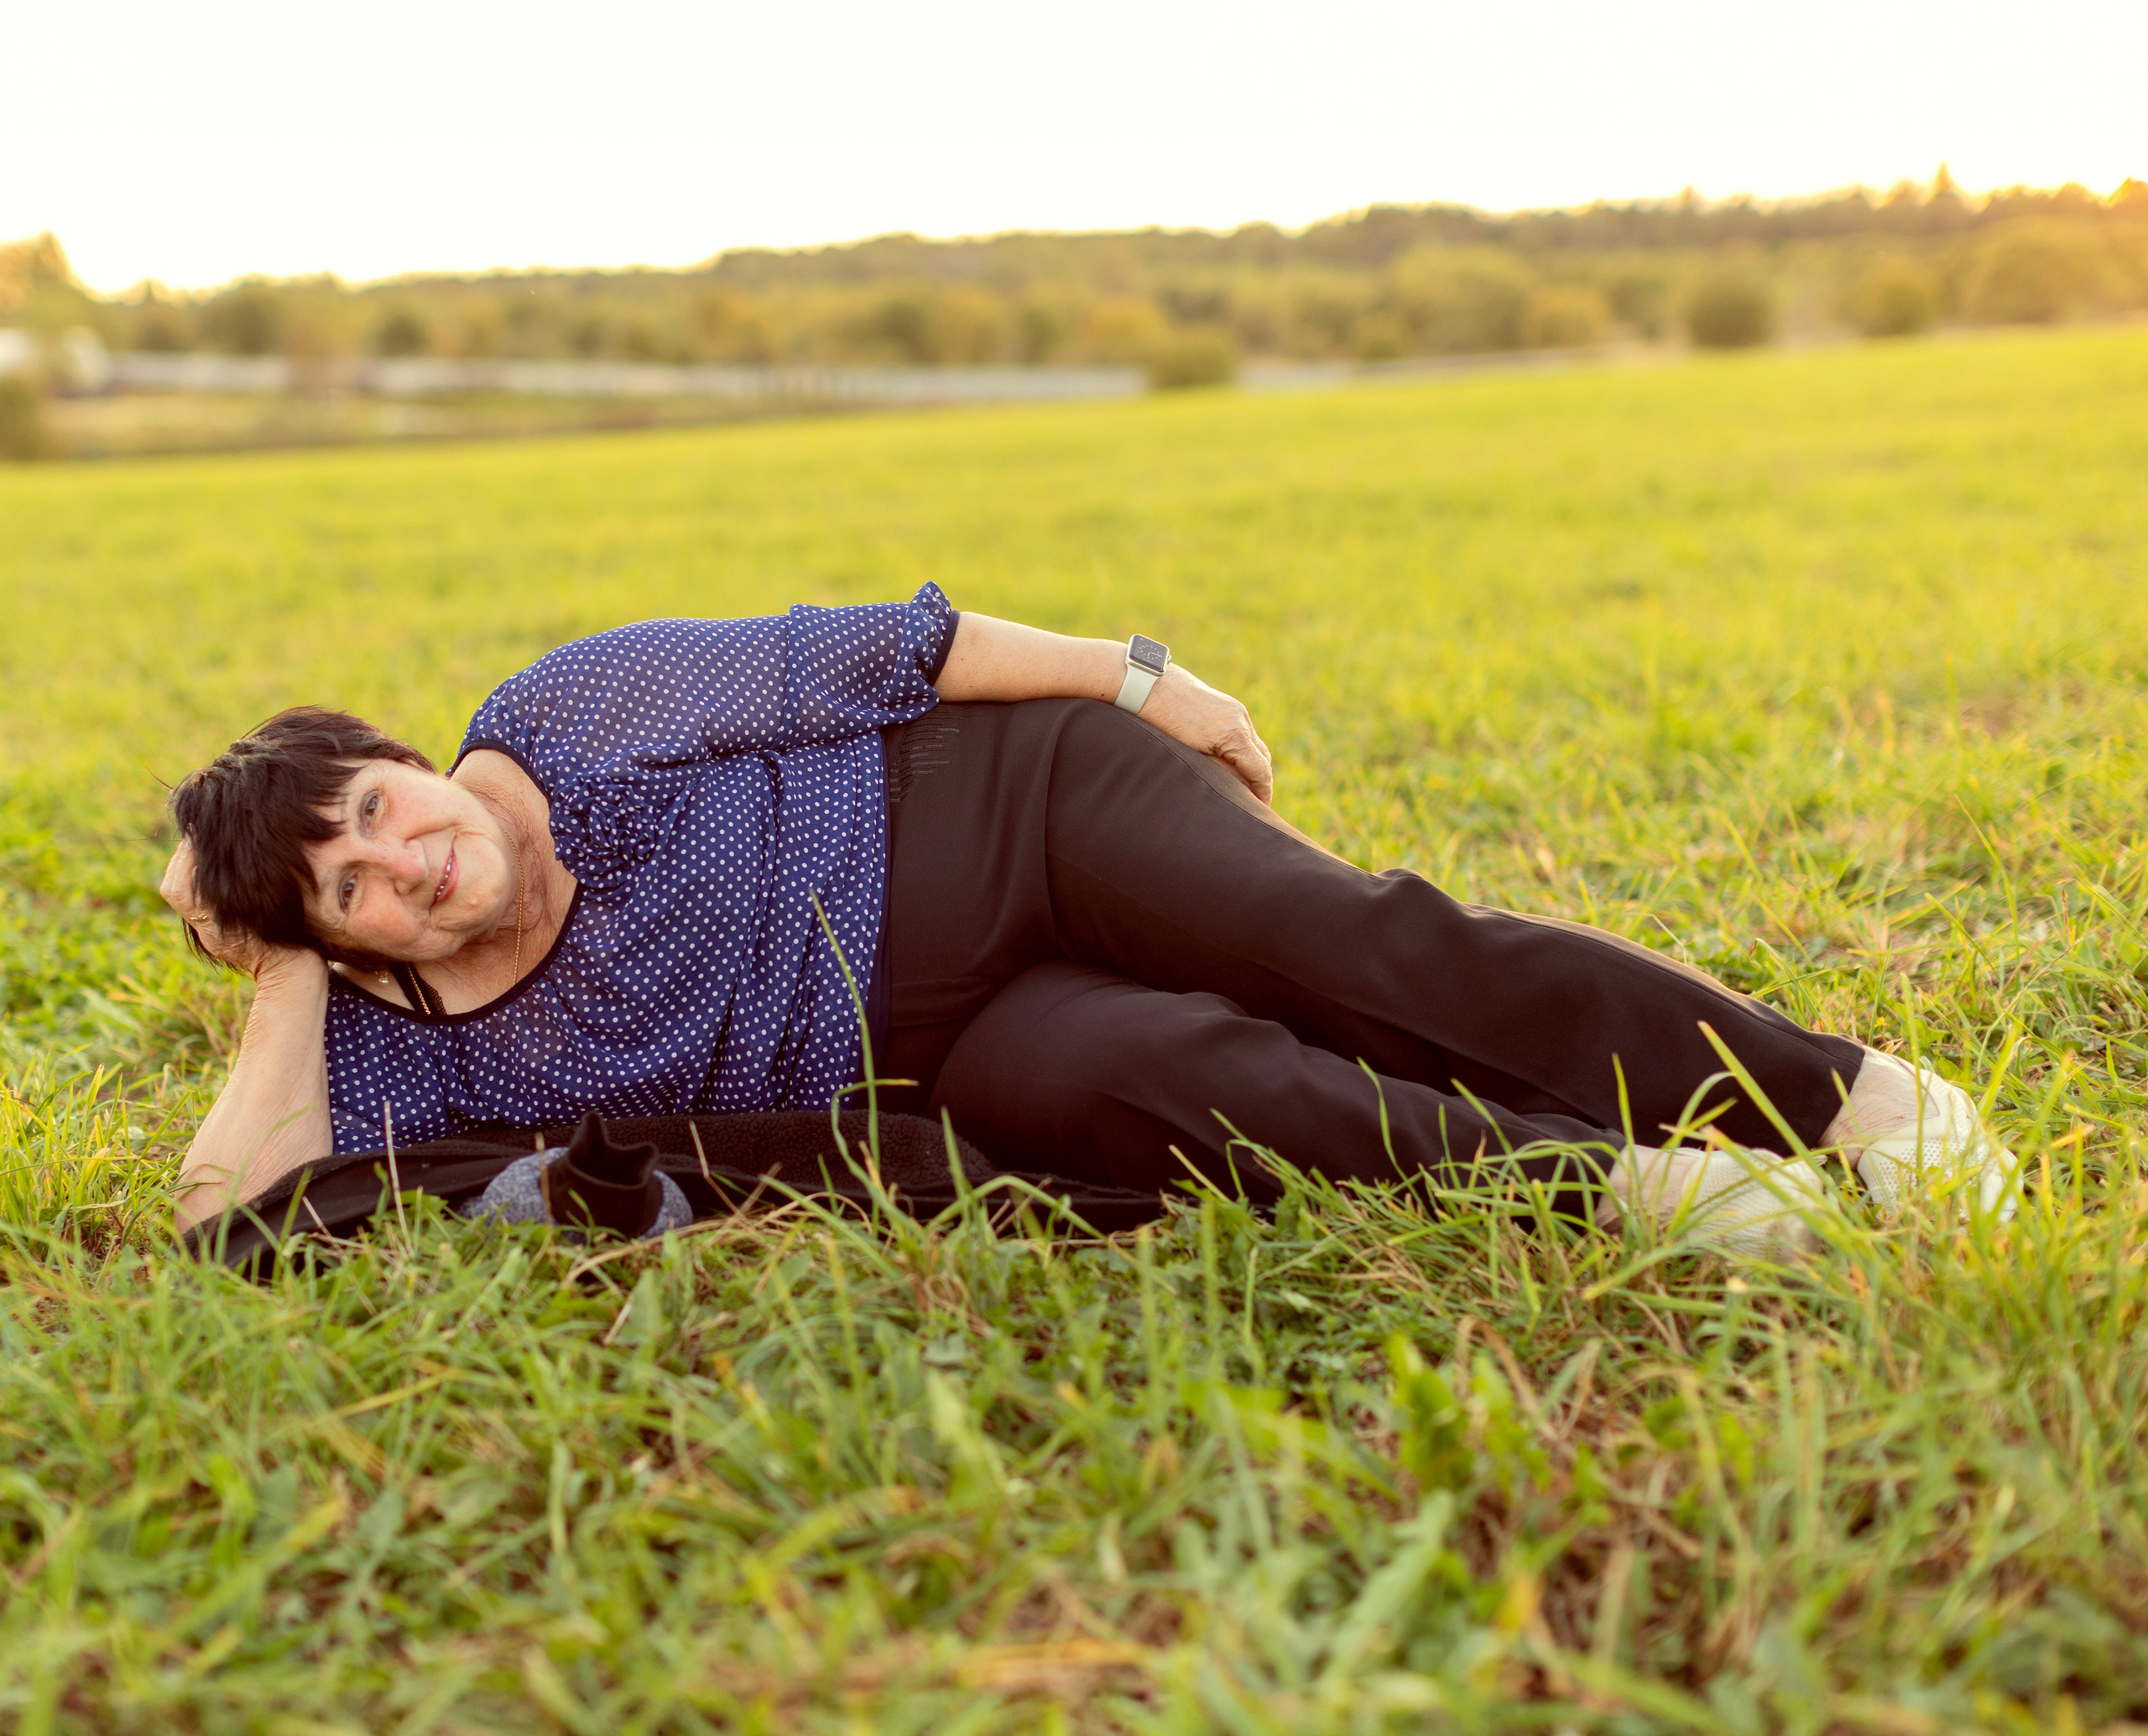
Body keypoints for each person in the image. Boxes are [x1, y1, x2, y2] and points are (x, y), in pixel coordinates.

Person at [162, 583, 2015, 1247]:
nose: (405, 864)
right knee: (1182, 1077)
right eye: (348, 890)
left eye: (380, 812)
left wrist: (1142, 685)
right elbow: (228, 1221)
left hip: (1011, 811)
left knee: (1338, 947)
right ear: (346, 943)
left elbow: (886, 647)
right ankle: (1635, 1190)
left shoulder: (571, 710)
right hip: (950, 1039)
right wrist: (269, 986)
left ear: (406, 763)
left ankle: (1843, 1099)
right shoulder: (404, 1047)